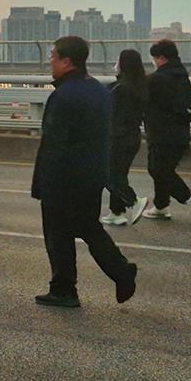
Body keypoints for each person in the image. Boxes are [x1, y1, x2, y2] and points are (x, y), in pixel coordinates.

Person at [32, 36, 137, 309]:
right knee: (89, 228)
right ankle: (121, 271)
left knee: (58, 235)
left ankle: (64, 289)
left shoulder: (63, 96)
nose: (50, 61)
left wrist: (44, 183)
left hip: (65, 179)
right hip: (91, 175)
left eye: (53, 56)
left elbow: (54, 144)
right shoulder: (99, 90)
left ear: (67, 61)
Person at [141, 40, 191, 223]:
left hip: (161, 134)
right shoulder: (182, 76)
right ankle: (161, 207)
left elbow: (140, 98)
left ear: (161, 58)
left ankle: (189, 197)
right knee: (163, 169)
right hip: (180, 134)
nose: (153, 61)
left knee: (158, 169)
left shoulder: (157, 79)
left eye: (154, 58)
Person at [101, 50, 150, 226]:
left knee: (107, 175)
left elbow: (108, 115)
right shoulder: (139, 86)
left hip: (117, 138)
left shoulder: (119, 88)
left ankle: (134, 201)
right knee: (119, 174)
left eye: (117, 61)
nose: (115, 65)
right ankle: (117, 212)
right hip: (132, 137)